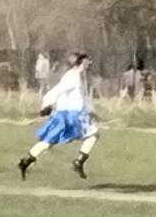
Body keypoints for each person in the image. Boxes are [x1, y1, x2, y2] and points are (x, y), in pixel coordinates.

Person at [17, 51, 98, 181]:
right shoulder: (72, 76)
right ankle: (78, 162)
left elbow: (82, 97)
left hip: (65, 115)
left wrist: (91, 110)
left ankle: (26, 161)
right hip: (72, 115)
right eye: (87, 60)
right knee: (93, 135)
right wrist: (46, 104)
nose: (89, 63)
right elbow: (58, 90)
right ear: (82, 62)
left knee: (49, 141)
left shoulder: (76, 76)